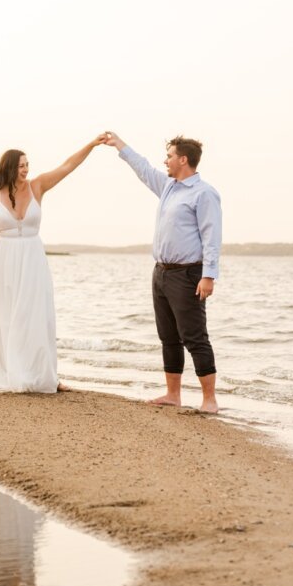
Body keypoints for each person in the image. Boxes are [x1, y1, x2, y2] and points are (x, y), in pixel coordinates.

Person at [0, 135, 107, 394]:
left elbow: (68, 166)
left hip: (32, 258)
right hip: (4, 258)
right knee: (5, 315)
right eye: (21, 165)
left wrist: (91, 145)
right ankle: (9, 371)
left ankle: (46, 376)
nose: (26, 169)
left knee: (36, 316)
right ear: (10, 167)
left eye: (27, 164)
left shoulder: (38, 186)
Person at [102, 132, 222, 414]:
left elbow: (211, 236)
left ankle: (210, 400)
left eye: (169, 155)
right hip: (161, 273)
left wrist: (209, 275)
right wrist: (120, 144)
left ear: (183, 159)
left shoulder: (204, 193)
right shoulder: (169, 187)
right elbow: (143, 168)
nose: (165, 160)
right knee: (168, 336)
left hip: (188, 274)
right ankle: (173, 394)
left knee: (194, 337)